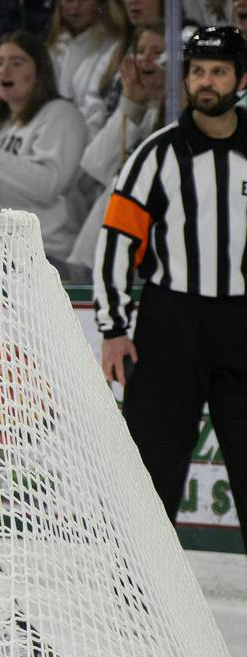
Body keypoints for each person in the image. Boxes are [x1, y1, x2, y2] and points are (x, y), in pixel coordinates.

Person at [94, 27, 247, 551]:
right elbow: (117, 241)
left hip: (243, 323)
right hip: (170, 322)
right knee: (151, 468)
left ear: (241, 80)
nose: (208, 82)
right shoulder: (155, 155)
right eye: (199, 71)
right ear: (184, 80)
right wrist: (113, 329)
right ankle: (134, 597)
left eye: (220, 71)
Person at [0, 32, 88, 269]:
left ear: (39, 72)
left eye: (16, 62)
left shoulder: (60, 114)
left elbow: (49, 184)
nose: (4, 70)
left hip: (43, 255)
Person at [67, 22, 167, 272]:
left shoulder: (187, 118)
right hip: (98, 254)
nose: (146, 59)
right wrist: (131, 104)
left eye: (157, 52)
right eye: (141, 50)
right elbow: (96, 164)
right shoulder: (136, 108)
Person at [46, 0, 127, 132]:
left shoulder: (113, 47)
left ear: (99, 1)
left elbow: (96, 111)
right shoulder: (52, 48)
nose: (75, 6)